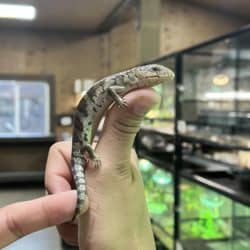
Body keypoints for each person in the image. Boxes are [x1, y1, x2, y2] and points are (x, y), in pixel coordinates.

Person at [0, 88, 159, 250]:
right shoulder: (116, 86)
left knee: (78, 192)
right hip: (82, 146)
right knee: (79, 186)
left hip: (82, 145)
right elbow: (110, 91)